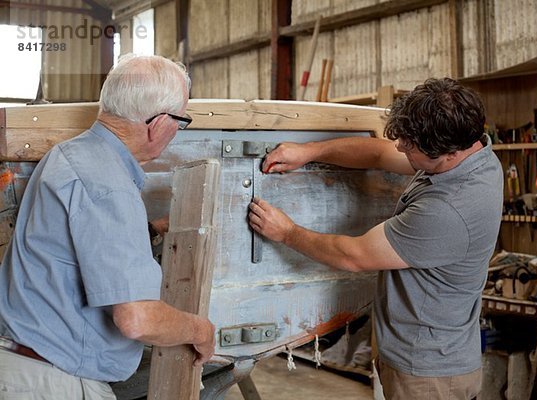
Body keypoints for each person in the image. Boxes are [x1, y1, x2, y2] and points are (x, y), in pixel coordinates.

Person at [248, 78, 503, 400]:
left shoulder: (449, 210)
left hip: (428, 372)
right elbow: (378, 154)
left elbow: (353, 256)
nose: (399, 147)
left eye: (409, 146)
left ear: (445, 153)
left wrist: (286, 232)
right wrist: (309, 152)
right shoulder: (469, 156)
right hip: (424, 356)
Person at [0, 54, 215, 399]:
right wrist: (199, 329)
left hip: (24, 365)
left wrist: (145, 230)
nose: (177, 131)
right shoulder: (109, 184)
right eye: (181, 122)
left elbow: (71, 246)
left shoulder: (69, 156)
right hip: (55, 383)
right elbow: (137, 318)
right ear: (159, 123)